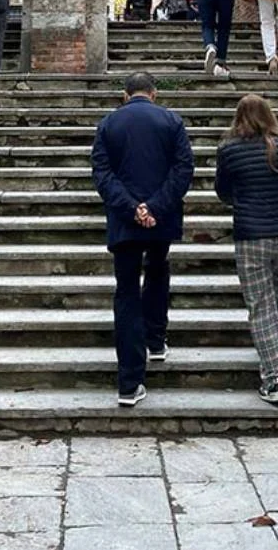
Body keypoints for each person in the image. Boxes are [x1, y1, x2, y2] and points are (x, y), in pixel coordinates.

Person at [91, 71, 195, 407]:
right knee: (158, 272)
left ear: (126, 94)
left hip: (125, 221)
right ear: (154, 93)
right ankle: (155, 339)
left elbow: (102, 175)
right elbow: (183, 170)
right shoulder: (171, 122)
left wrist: (131, 208)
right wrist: (155, 207)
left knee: (126, 292)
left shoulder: (108, 125)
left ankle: (129, 382)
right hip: (160, 218)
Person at [214, 94, 278, 405]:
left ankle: (273, 377)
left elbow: (223, 192)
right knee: (276, 286)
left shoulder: (228, 150)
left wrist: (243, 199)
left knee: (260, 306)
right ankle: (270, 337)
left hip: (251, 236)